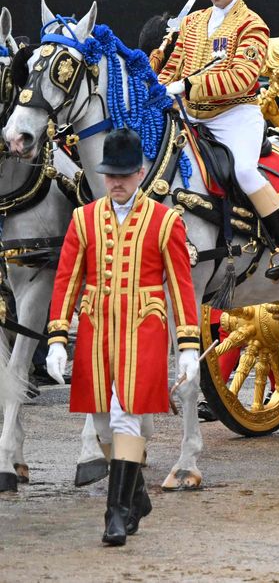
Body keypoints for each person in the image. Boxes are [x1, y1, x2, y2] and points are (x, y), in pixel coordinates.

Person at [44, 128, 201, 546]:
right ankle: (137, 494)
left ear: (141, 172)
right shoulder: (84, 217)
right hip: (96, 330)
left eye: (125, 175)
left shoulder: (166, 220)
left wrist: (188, 345)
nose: (116, 183)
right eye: (110, 175)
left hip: (143, 328)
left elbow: (181, 284)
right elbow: (67, 280)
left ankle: (116, 514)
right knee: (102, 423)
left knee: (125, 413)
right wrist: (58, 336)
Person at [152, 0, 279, 268]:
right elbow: (173, 66)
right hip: (190, 113)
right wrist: (155, 88)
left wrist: (190, 86)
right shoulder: (192, 22)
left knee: (245, 171)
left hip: (234, 114)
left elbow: (243, 77)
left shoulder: (252, 25)